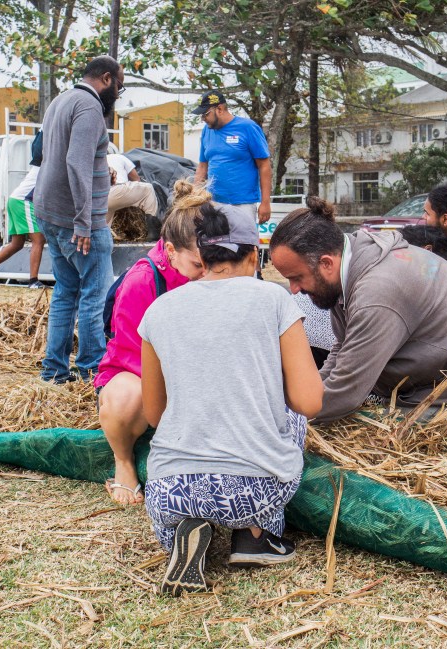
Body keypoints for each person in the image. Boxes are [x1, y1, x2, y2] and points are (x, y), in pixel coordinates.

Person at [139, 202, 322, 596]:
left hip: (170, 489)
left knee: (179, 458)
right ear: (254, 254)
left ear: (201, 255)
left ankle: (188, 527)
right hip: (250, 491)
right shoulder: (273, 300)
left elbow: (154, 414)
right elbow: (309, 402)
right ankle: (255, 536)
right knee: (294, 419)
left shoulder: (159, 310)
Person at [269, 196, 447, 439]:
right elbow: (342, 351)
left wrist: (279, 420)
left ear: (326, 263)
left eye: (296, 277)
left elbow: (346, 392)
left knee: (377, 432)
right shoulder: (353, 265)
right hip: (437, 382)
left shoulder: (377, 291)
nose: (293, 290)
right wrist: (307, 395)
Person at [97, 181, 208, 506]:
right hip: (139, 375)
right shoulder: (142, 283)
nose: (205, 274)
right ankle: (124, 460)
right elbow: (133, 358)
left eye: (210, 263)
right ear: (171, 251)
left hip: (185, 375)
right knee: (128, 399)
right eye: (197, 266)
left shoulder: (208, 275)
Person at [34, 55, 124, 384]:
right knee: (94, 293)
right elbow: (75, 162)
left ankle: (54, 370)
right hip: (78, 223)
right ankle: (90, 372)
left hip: (49, 213)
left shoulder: (61, 100)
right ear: (105, 78)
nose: (119, 91)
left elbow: (55, 155)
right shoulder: (89, 108)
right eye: (120, 84)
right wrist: (84, 222)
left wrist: (103, 171)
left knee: (66, 290)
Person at [192, 91, 272, 226]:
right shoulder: (207, 131)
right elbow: (202, 166)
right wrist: (194, 197)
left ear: (220, 109)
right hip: (213, 203)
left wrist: (265, 203)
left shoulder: (248, 127)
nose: (203, 119)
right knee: (215, 246)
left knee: (243, 246)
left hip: (242, 203)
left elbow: (264, 165)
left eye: (205, 114)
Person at [0, 130, 46, 289]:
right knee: (39, 239)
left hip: (15, 199)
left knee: (17, 244)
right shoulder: (44, 168)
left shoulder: (38, 167)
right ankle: (33, 281)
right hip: (23, 201)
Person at [106, 152, 158, 224]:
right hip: (116, 189)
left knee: (103, 227)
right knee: (148, 189)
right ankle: (152, 229)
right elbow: (136, 179)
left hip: (100, 198)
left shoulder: (98, 161)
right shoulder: (120, 157)